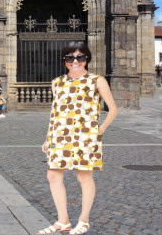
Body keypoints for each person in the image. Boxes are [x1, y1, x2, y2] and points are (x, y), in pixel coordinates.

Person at [37, 41, 118, 235]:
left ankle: (83, 220)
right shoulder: (57, 82)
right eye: (70, 58)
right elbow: (55, 112)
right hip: (59, 135)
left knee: (83, 176)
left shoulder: (96, 81)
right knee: (53, 175)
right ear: (64, 60)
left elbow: (113, 109)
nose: (75, 61)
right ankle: (63, 221)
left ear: (86, 59)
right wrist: (48, 138)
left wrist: (100, 130)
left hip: (85, 136)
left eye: (80, 57)